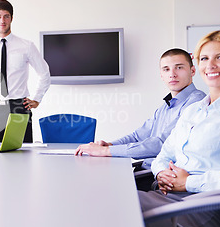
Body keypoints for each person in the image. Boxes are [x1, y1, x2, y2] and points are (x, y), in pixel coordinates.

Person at [139, 29, 220, 227]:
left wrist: (188, 182)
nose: (210, 65)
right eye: (204, 58)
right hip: (166, 197)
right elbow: (163, 155)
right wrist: (161, 174)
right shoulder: (193, 110)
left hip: (199, 211)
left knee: (111, 212)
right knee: (106, 199)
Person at [75, 48, 205, 162]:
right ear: (162, 75)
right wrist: (109, 145)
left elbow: (161, 144)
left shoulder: (196, 101)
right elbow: (137, 136)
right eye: (166, 69)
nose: (172, 74)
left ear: (192, 71)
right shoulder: (164, 108)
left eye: (179, 67)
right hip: (148, 170)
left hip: (161, 178)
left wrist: (105, 152)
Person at [0, 0, 51, 142]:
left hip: (19, 108)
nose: (2, 20)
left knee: (22, 155)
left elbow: (44, 72)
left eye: (6, 16)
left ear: (12, 18)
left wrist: (37, 99)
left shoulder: (27, 46)